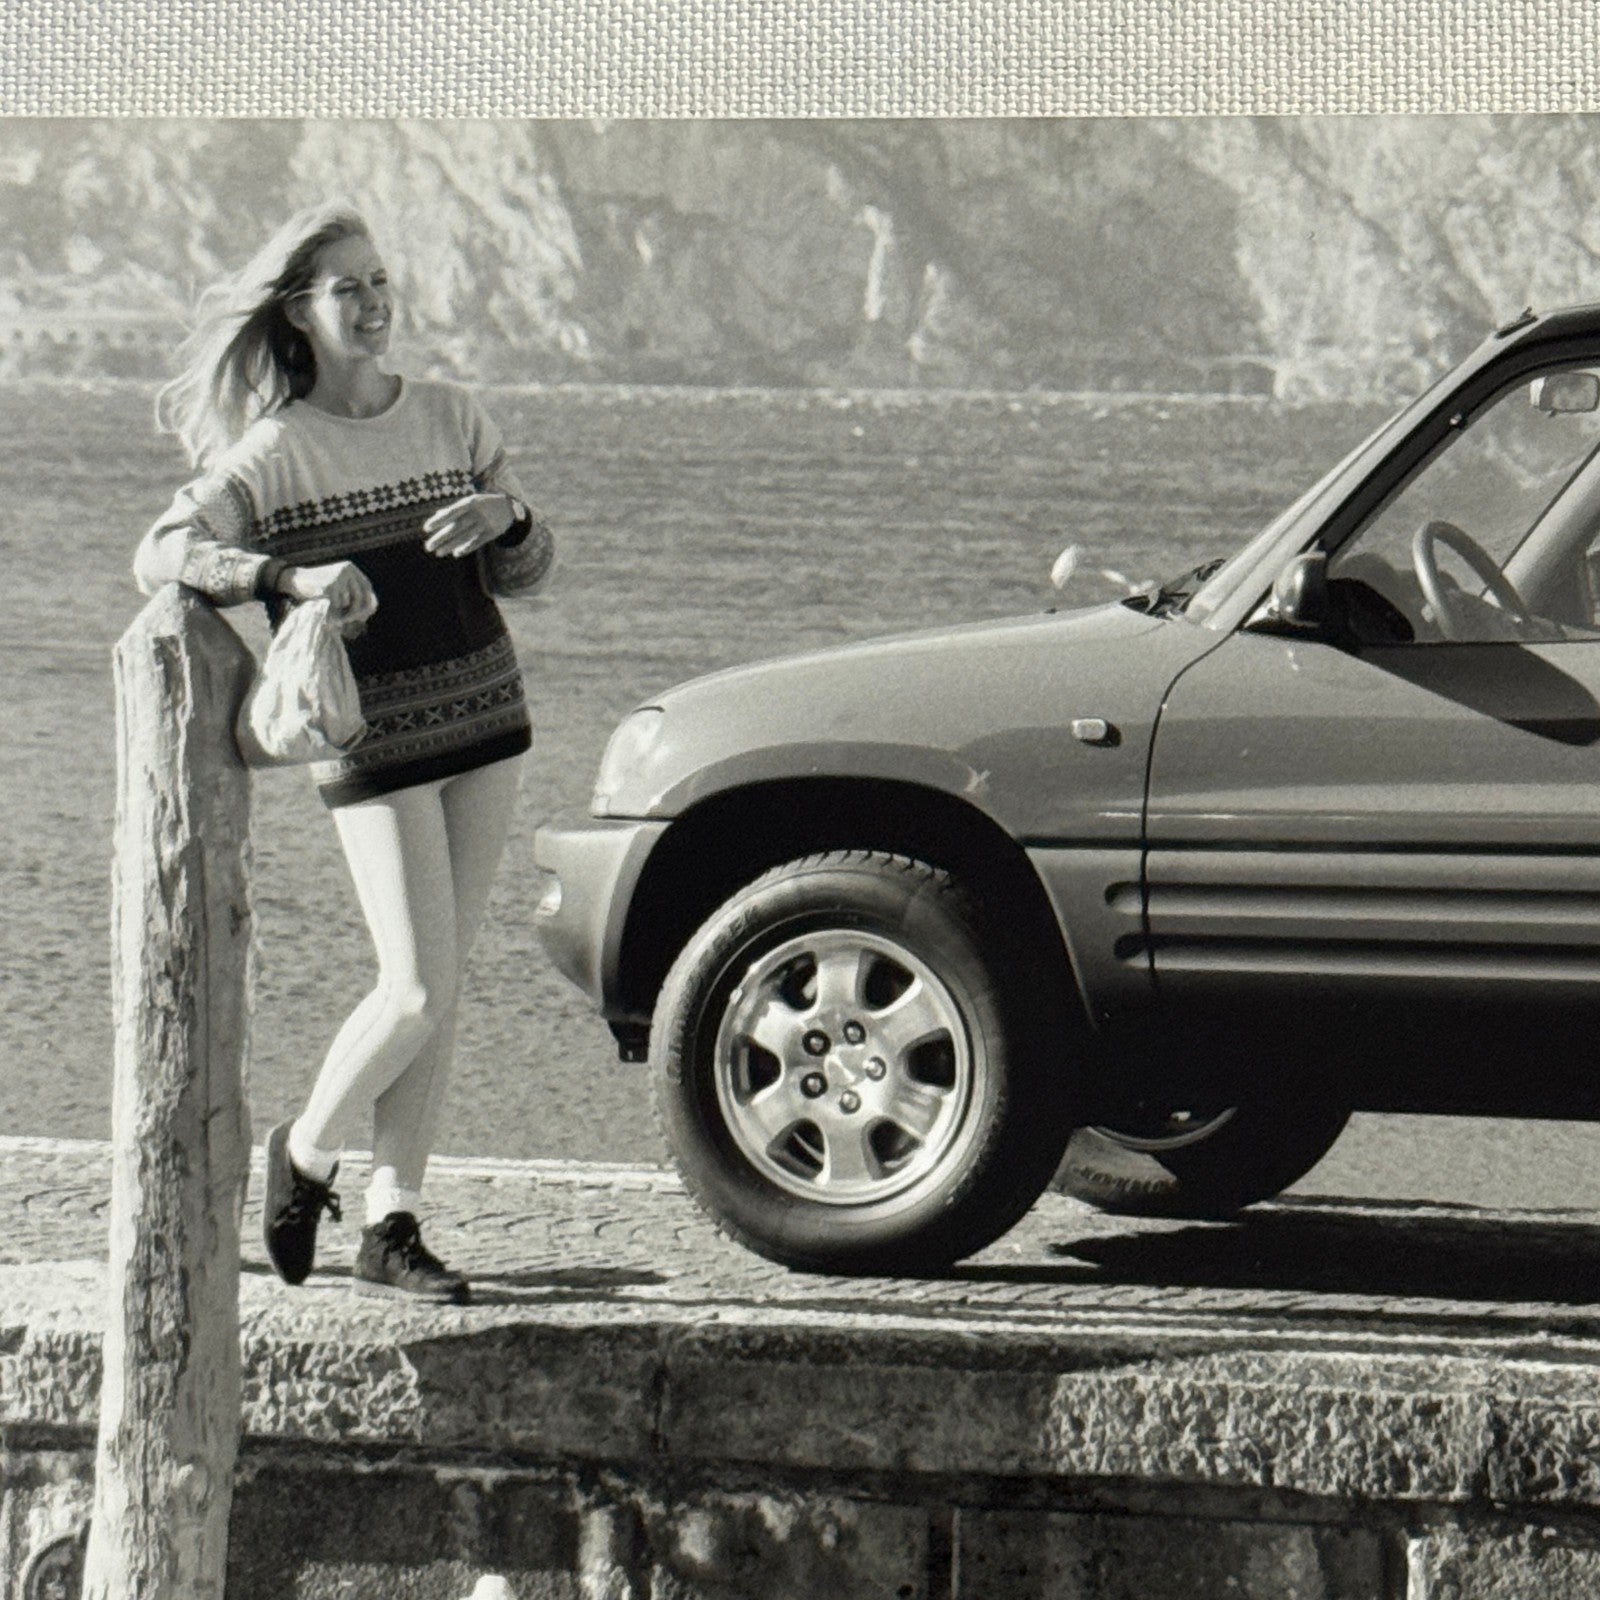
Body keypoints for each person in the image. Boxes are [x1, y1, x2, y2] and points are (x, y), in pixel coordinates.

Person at [133, 201, 553, 1305]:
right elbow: (163, 552)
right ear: (299, 314)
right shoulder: (276, 450)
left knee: (444, 988)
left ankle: (392, 1221)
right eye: (345, 289)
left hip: (485, 721)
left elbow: (528, 570)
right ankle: (306, 1152)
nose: (372, 304)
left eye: (379, 282)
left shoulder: (453, 415)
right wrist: (288, 578)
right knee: (413, 988)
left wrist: (504, 519)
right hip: (371, 742)